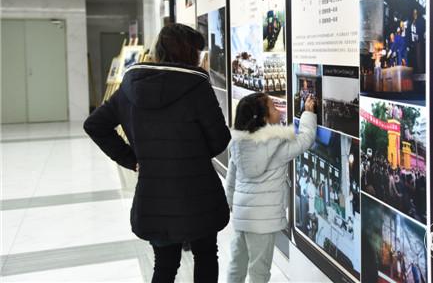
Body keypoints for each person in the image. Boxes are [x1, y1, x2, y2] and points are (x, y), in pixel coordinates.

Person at [84, 23, 231, 283]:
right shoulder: (197, 86)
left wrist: (132, 160)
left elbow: (95, 125)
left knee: (164, 265)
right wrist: (192, 155)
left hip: (154, 195)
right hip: (198, 193)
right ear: (189, 53)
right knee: (206, 255)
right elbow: (220, 139)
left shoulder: (131, 86)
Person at [226, 93, 317, 283]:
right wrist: (308, 113)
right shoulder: (276, 146)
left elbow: (231, 179)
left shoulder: (237, 144)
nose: (279, 111)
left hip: (242, 217)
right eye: (274, 108)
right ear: (264, 119)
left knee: (236, 265)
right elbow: (305, 140)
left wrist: (227, 204)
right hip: (264, 221)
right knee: (259, 272)